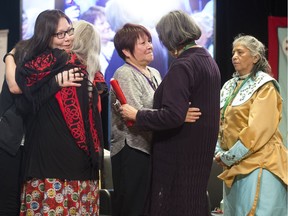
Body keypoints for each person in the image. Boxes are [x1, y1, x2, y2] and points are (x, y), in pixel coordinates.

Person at [120, 10, 221, 216]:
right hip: (199, 153)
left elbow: (173, 115)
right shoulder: (208, 60)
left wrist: (137, 115)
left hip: (178, 154)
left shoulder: (183, 65)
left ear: (169, 37)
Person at [5, 10, 103, 215]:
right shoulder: (34, 65)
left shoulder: (82, 65)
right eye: (60, 34)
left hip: (81, 161)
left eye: (69, 31)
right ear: (46, 35)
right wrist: (55, 83)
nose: (67, 38)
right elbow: (23, 102)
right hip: (48, 162)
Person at [214, 34, 288, 215]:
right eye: (233, 52)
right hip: (232, 165)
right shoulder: (229, 86)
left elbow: (257, 130)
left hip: (260, 163)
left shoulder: (265, 86)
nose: (234, 56)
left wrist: (229, 156)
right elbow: (220, 121)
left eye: (240, 52)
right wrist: (218, 150)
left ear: (255, 57)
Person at [80, 5, 115, 75]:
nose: (107, 25)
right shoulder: (89, 56)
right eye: (102, 23)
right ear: (91, 29)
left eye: (107, 21)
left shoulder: (116, 46)